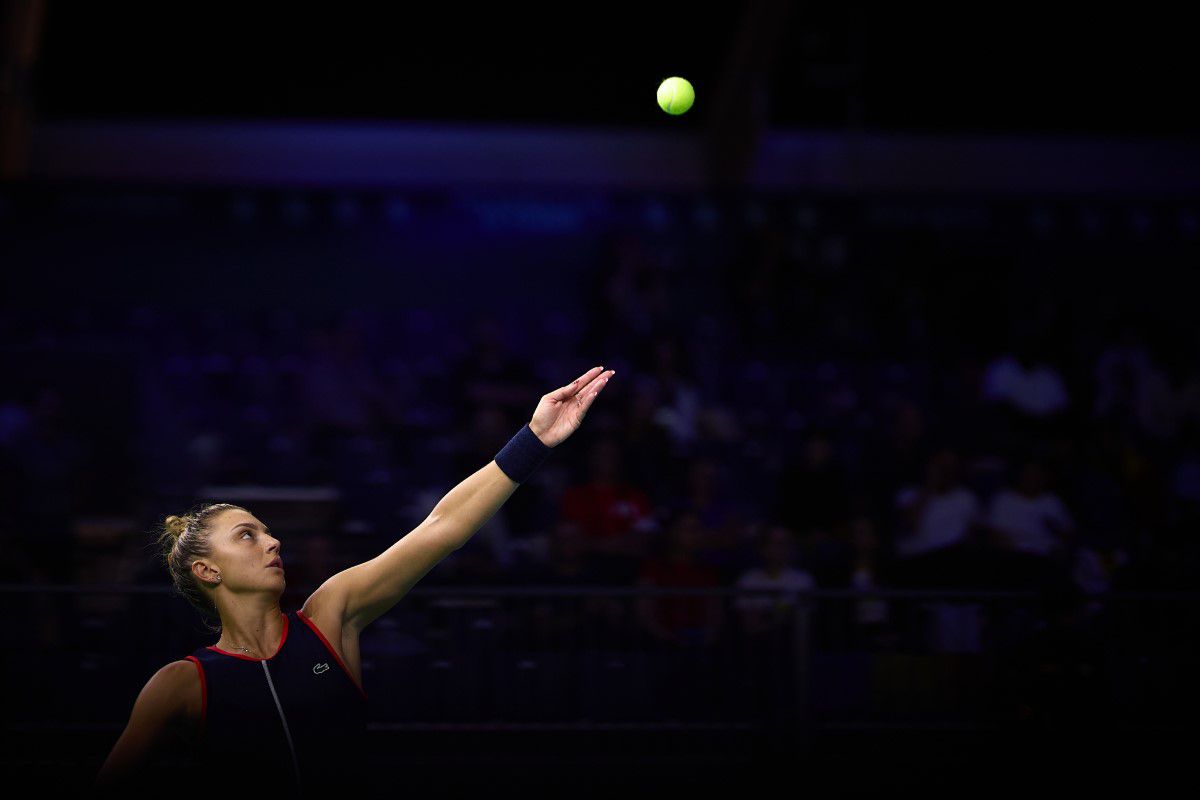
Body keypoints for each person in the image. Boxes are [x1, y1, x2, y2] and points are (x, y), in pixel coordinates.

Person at [94, 365, 616, 798]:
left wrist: (535, 440)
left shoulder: (330, 615)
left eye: (269, 533)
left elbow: (442, 529)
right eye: (248, 536)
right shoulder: (179, 684)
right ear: (206, 571)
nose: (274, 543)